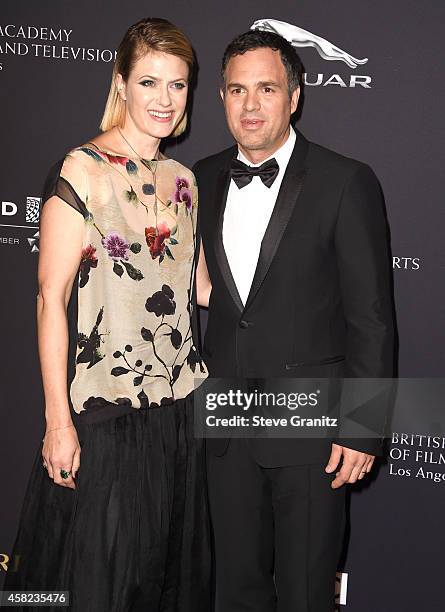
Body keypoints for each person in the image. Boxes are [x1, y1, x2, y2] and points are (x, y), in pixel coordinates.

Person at [5, 17, 210, 612]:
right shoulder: (83, 170)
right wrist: (57, 420)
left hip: (180, 413)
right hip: (108, 411)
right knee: (107, 583)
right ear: (121, 84)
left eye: (177, 85)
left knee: (168, 581)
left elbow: (198, 290)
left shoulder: (185, 182)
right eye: (149, 82)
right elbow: (51, 298)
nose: (164, 100)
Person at [194, 30, 395, 612]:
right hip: (226, 429)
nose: (250, 105)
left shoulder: (345, 180)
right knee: (234, 591)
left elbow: (372, 319)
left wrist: (362, 426)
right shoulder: (199, 179)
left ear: (295, 97)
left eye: (266, 89)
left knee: (307, 594)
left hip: (313, 433)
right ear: (222, 99)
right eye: (236, 90)